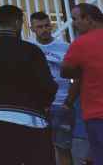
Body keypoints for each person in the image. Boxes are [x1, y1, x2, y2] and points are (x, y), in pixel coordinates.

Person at [0, 5, 57, 164]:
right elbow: (48, 85)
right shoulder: (31, 50)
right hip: (32, 119)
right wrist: (43, 103)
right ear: (17, 23)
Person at [30, 11, 79, 165]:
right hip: (37, 107)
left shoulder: (65, 47)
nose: (44, 29)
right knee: (40, 150)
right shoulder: (28, 48)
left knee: (63, 149)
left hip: (61, 104)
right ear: (32, 29)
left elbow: (77, 75)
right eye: (40, 27)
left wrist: (68, 103)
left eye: (47, 26)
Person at [61, 3, 103, 165]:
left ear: (89, 19)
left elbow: (65, 71)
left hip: (97, 115)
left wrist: (83, 71)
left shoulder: (82, 43)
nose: (73, 23)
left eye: (75, 18)